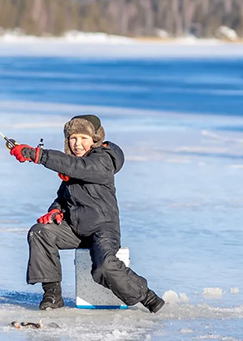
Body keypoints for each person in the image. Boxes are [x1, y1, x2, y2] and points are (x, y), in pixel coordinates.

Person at [9, 115, 165, 313]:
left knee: (104, 267)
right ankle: (52, 295)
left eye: (83, 138)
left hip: (102, 229)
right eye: (73, 138)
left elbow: (81, 168)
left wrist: (38, 155)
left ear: (95, 139)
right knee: (40, 232)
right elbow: (63, 197)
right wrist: (56, 211)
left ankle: (147, 296)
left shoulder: (103, 160)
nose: (78, 144)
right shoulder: (72, 166)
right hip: (75, 229)